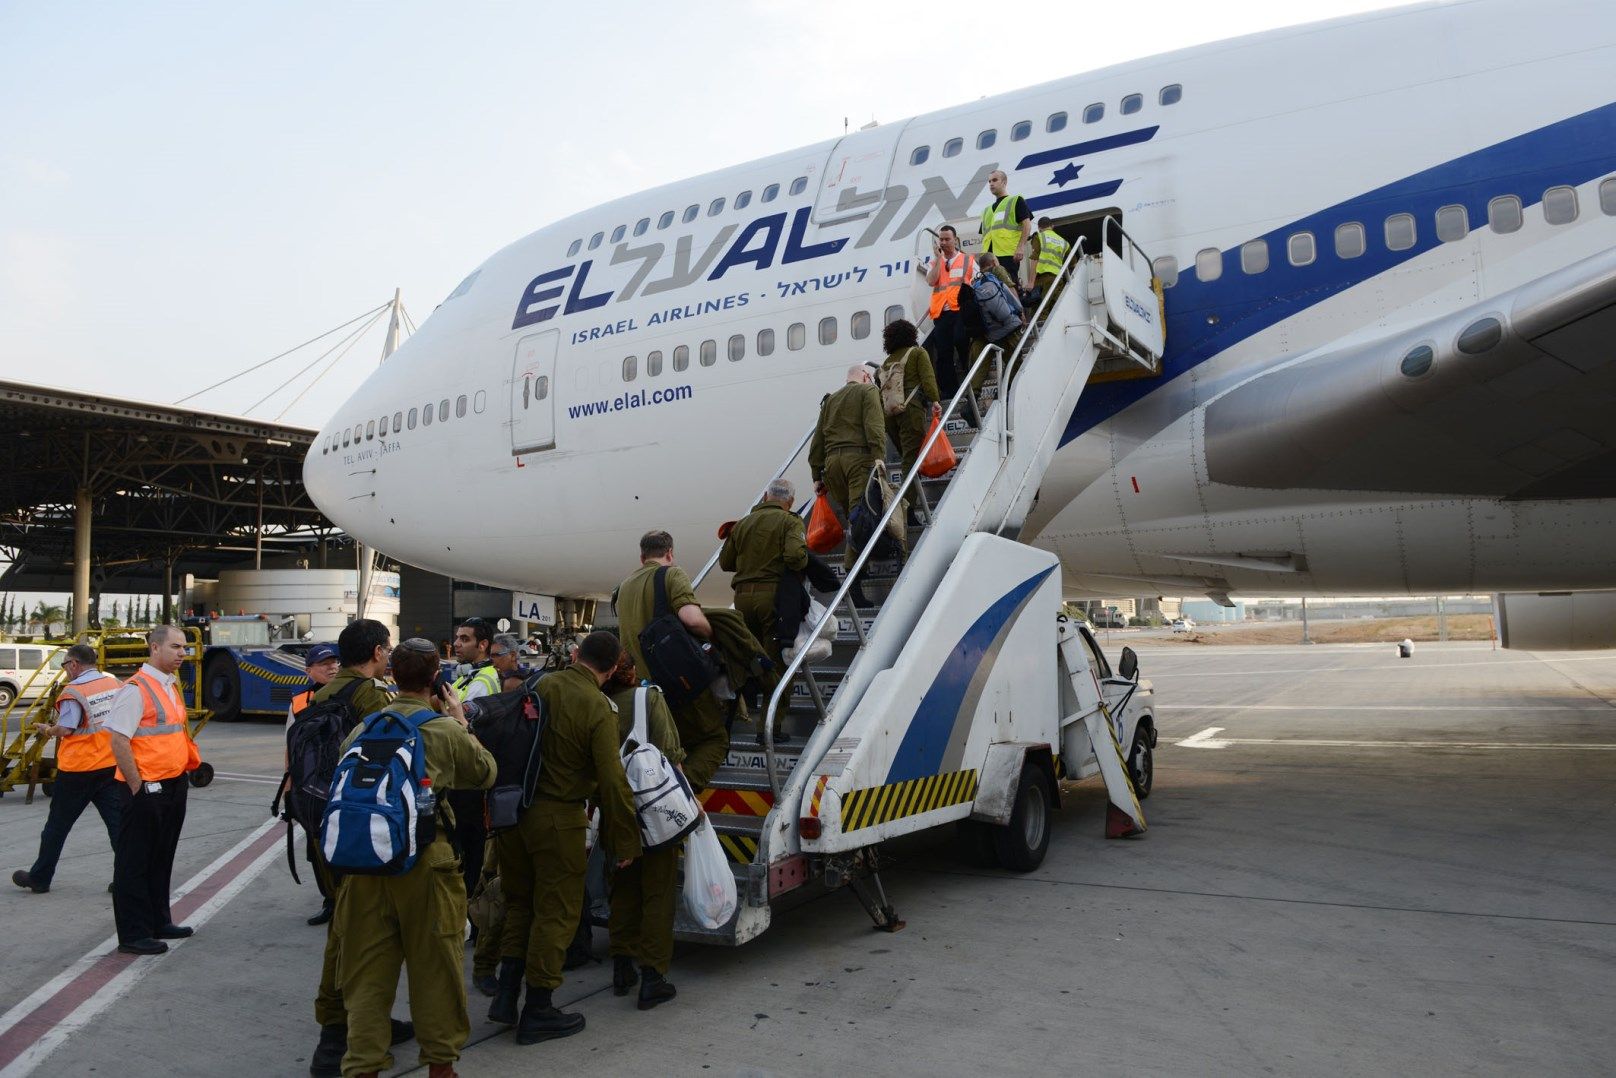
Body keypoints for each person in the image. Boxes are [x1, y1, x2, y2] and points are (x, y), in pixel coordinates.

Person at [334, 637, 496, 1078]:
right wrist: (461, 721)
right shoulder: (441, 730)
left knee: (366, 977)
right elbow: (484, 773)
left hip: (365, 863)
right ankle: (440, 1068)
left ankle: (363, 1066)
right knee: (436, 971)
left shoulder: (364, 727)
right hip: (428, 863)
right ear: (436, 680)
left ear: (392, 676)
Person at [488, 631, 641, 1045]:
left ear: (576, 655)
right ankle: (538, 1008)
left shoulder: (541, 682)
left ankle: (505, 996)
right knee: (555, 912)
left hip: (514, 813)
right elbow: (611, 781)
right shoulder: (597, 705)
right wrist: (624, 841)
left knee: (520, 904)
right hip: (558, 820)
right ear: (610, 670)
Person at [307, 619, 409, 1078]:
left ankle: (365, 1018)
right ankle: (333, 1039)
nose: (388, 655)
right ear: (374, 651)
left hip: (327, 824)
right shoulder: (371, 696)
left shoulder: (325, 693)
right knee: (354, 934)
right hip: (360, 828)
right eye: (386, 648)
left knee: (350, 928)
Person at [104, 626, 200, 956]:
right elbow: (118, 741)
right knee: (135, 862)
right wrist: (137, 786)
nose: (182, 654)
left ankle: (159, 921)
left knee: (162, 857)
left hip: (173, 784)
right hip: (146, 788)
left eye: (184, 648)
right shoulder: (136, 689)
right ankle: (133, 934)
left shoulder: (169, 686)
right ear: (154, 648)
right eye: (175, 647)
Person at [603, 650, 686, 1009]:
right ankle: (652, 975)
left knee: (622, 888)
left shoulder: (598, 703)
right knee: (657, 891)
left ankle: (622, 965)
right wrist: (690, 800)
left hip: (612, 810)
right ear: (633, 671)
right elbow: (670, 753)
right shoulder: (648, 698)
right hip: (652, 810)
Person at [614, 532, 728, 792]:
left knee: (669, 747)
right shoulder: (671, 574)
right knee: (715, 739)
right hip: (678, 685)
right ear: (669, 554)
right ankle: (679, 794)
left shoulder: (624, 587)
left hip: (643, 692)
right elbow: (692, 619)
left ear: (642, 557)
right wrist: (712, 634)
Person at [12, 643, 122, 895]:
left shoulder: (73, 691)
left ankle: (40, 878)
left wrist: (48, 729)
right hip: (109, 764)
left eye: (64, 666)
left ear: (74, 664)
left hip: (78, 770)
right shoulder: (113, 683)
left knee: (56, 827)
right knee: (118, 825)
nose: (65, 671)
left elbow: (67, 728)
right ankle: (127, 879)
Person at [809, 365, 885, 607]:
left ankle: (863, 563)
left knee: (855, 520)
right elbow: (874, 425)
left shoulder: (830, 400)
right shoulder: (868, 392)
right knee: (860, 520)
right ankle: (854, 580)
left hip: (832, 466)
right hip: (857, 462)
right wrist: (879, 455)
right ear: (865, 377)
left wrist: (816, 475)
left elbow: (817, 439)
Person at [719, 478, 808, 678]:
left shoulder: (742, 524)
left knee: (751, 656)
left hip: (742, 599)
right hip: (772, 599)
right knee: (777, 661)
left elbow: (725, 563)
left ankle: (746, 704)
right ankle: (773, 708)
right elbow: (795, 557)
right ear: (791, 501)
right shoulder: (790, 521)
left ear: (766, 496)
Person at [286, 641, 341, 926]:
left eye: (335, 662)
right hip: (310, 787)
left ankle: (347, 902)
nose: (332, 667)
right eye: (324, 664)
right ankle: (330, 900)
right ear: (309, 671)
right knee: (316, 848)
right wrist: (289, 792)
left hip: (341, 785)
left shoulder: (348, 695)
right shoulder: (298, 703)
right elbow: (290, 749)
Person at [450, 618, 500, 903]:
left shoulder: (483, 680)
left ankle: (472, 910)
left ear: (483, 645)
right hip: (463, 773)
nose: (457, 643)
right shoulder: (466, 677)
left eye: (464, 639)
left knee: (471, 848)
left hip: (471, 777)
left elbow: (456, 724)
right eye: (457, 637)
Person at [879, 317, 940, 520]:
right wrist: (935, 401)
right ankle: (906, 509)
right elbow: (928, 379)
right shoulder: (917, 353)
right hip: (910, 411)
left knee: (908, 457)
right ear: (911, 335)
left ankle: (904, 505)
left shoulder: (886, 363)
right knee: (911, 461)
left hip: (889, 416)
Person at [922, 224, 977, 402]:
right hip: (941, 313)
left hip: (961, 310)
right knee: (943, 353)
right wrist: (939, 259)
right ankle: (949, 390)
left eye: (947, 239)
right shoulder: (933, 263)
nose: (944, 242)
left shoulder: (967, 260)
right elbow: (931, 281)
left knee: (961, 342)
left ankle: (970, 380)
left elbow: (976, 282)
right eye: (941, 239)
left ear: (955, 240)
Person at [979, 169, 1035, 287]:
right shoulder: (986, 211)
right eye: (989, 181)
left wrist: (1020, 248)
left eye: (994, 180)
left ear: (1004, 182)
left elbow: (1027, 225)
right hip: (988, 258)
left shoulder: (1015, 201)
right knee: (991, 288)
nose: (991, 184)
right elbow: (984, 237)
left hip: (1007, 255)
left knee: (1009, 286)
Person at [1032, 216, 1071, 305]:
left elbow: (1034, 260)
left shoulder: (1039, 237)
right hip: (1058, 279)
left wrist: (1031, 282)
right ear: (1052, 226)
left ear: (1039, 228)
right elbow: (1072, 263)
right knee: (1056, 309)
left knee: (1040, 310)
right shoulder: (1064, 242)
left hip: (1043, 279)